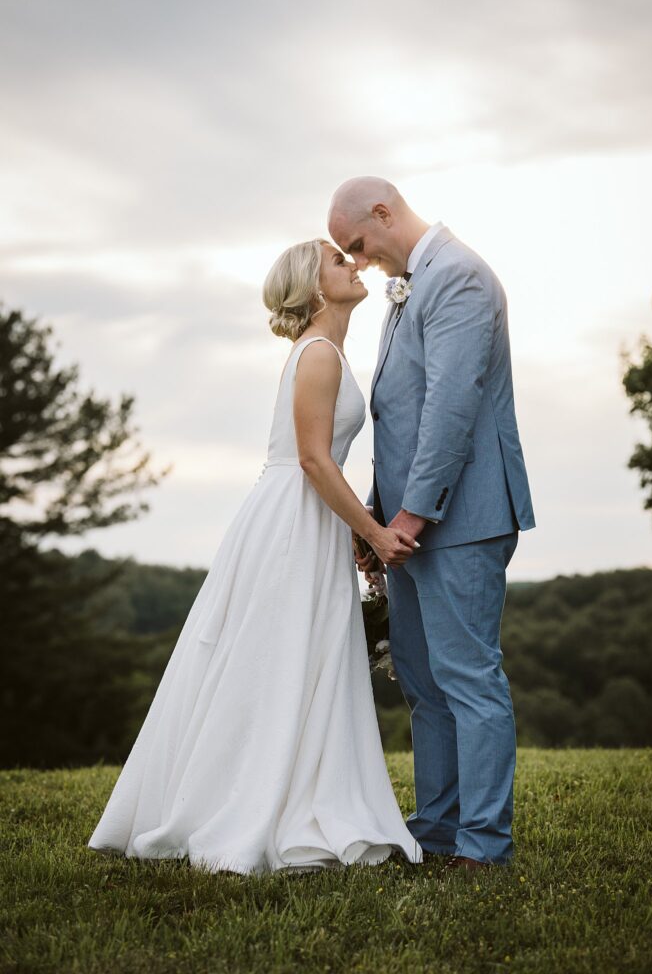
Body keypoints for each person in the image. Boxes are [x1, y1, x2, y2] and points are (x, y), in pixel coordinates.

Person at [87, 238, 422, 875]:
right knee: (278, 655)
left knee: (297, 656)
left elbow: (319, 463)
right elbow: (314, 460)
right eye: (336, 261)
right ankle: (244, 804)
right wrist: (376, 533)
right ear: (316, 288)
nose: (352, 263)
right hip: (291, 518)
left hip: (308, 515)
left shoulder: (326, 351)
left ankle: (296, 790)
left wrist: (349, 527)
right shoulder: (319, 353)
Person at [328, 177, 536, 872]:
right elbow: (403, 417)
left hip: (462, 515)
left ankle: (482, 846)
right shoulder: (412, 282)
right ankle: (437, 833)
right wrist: (375, 521)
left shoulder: (458, 277)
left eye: (356, 244)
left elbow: (450, 406)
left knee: (467, 677)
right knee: (422, 680)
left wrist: (406, 518)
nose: (356, 260)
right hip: (408, 524)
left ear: (382, 213)